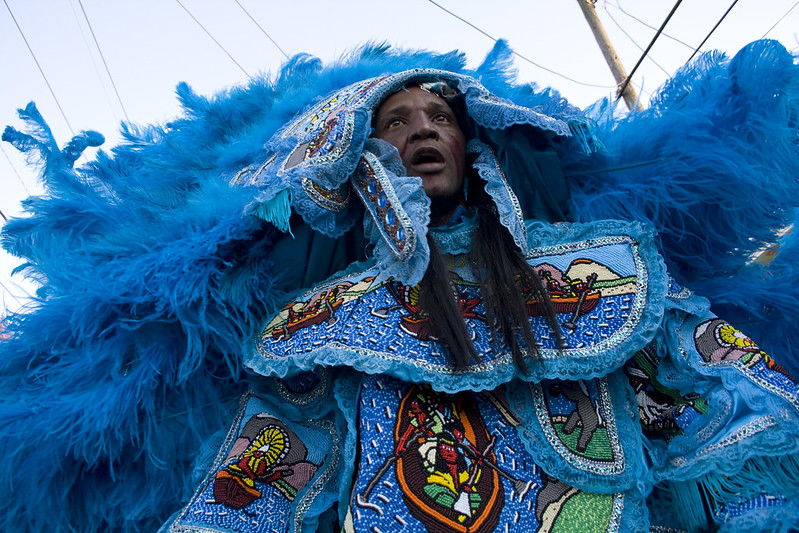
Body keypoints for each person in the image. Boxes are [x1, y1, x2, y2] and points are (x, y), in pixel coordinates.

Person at [2, 41, 799, 533]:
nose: (420, 127)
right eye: (394, 121)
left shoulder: (606, 276)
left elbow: (734, 413)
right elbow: (257, 484)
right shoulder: (321, 327)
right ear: (362, 157)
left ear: (474, 137)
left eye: (438, 114)